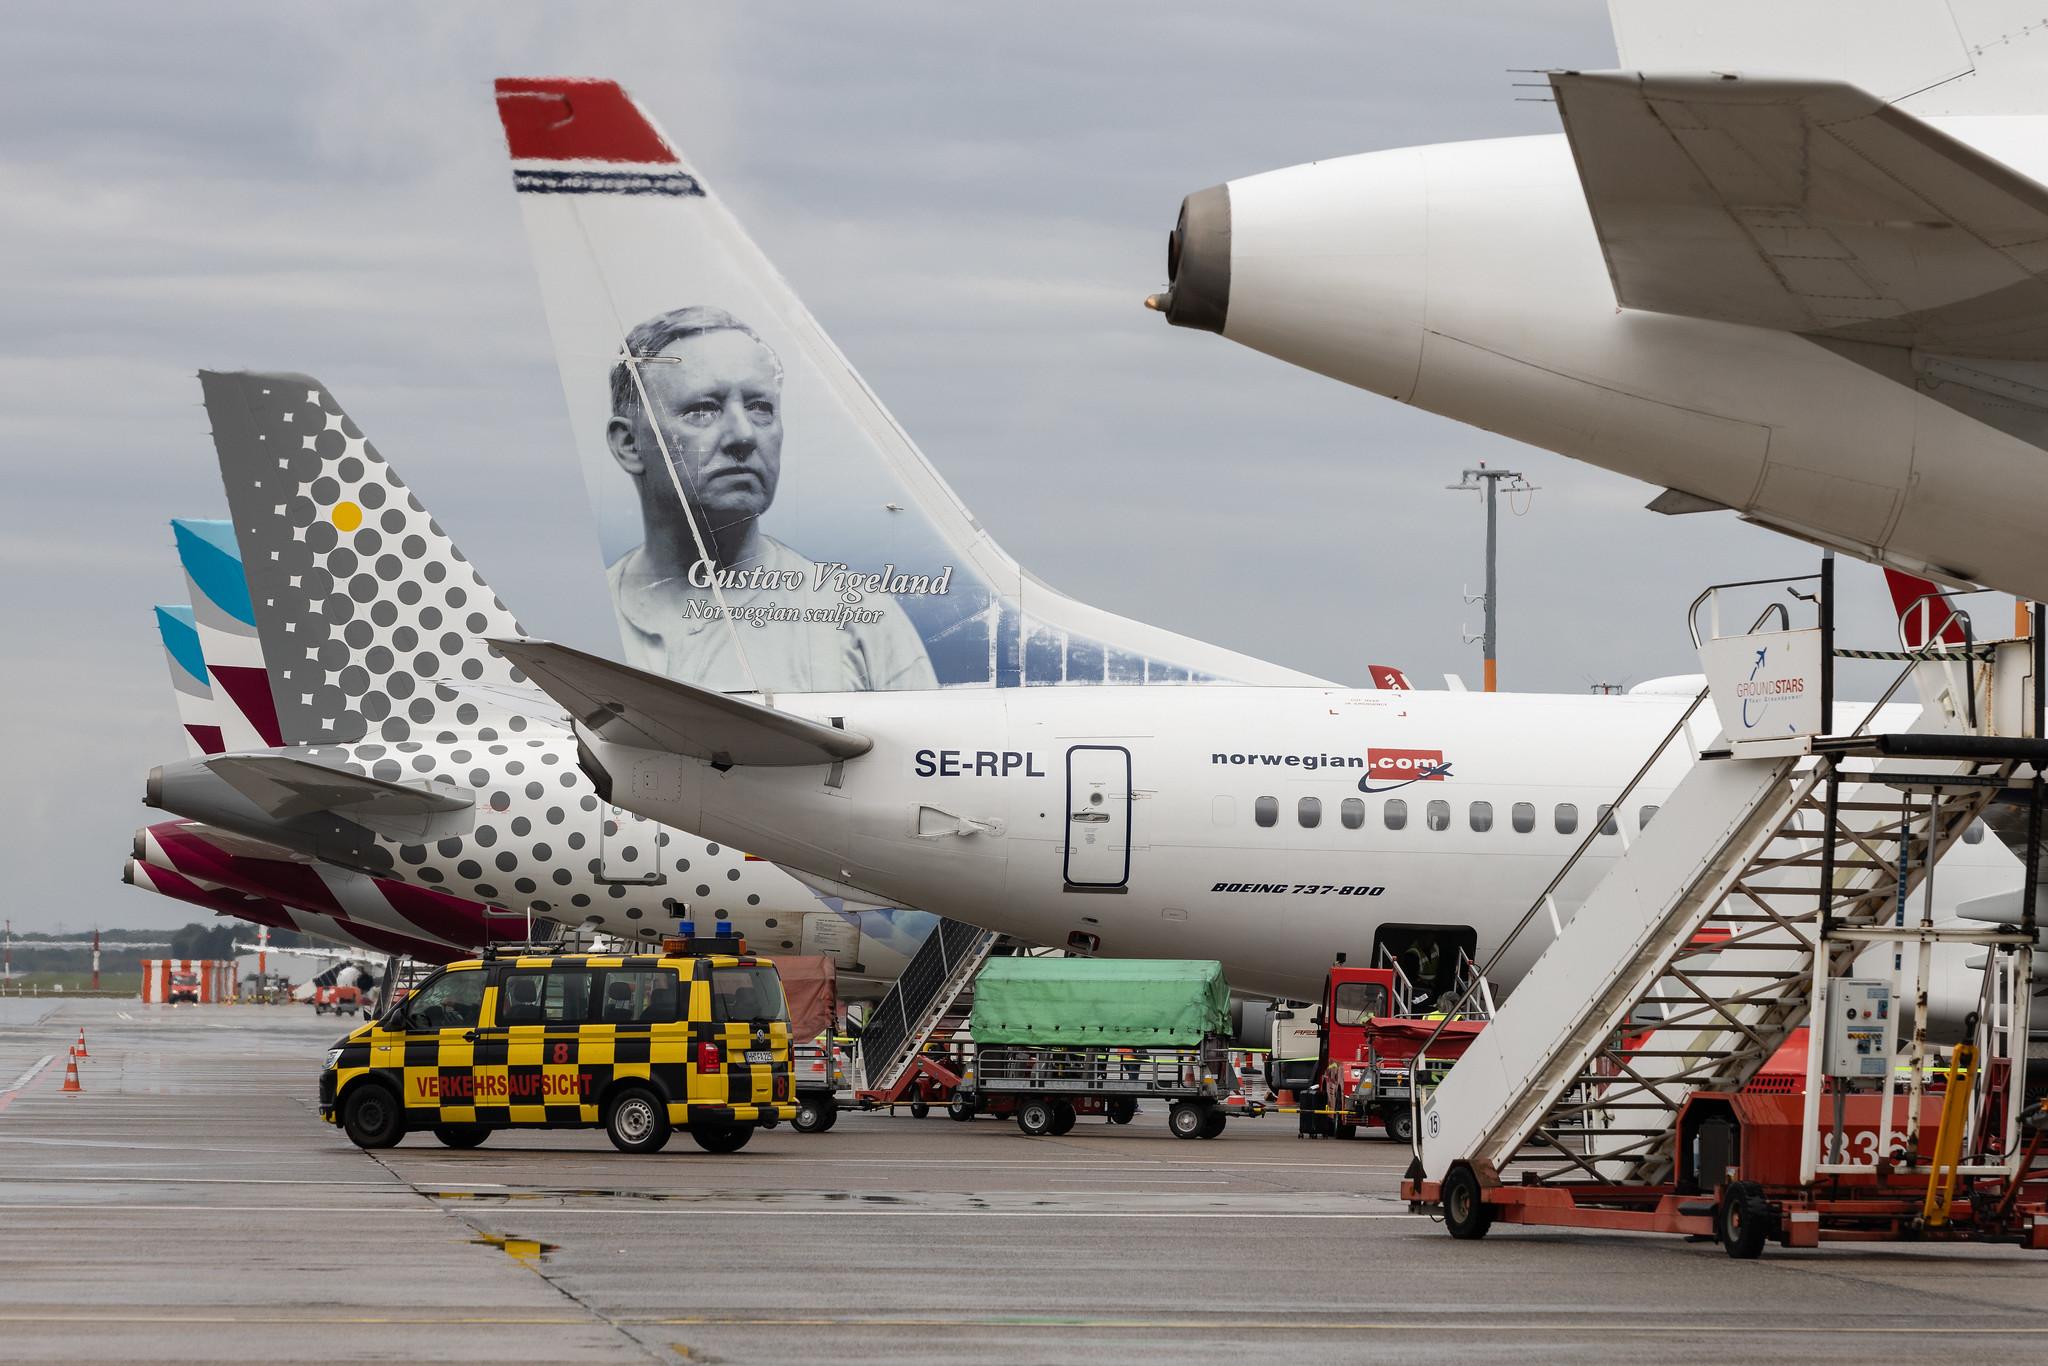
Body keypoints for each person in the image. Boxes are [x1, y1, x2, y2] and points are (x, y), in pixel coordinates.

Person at [604, 305, 939, 693]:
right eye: (702, 410)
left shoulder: (859, 620)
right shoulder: (586, 620)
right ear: (629, 444)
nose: (743, 435)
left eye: (760, 408)